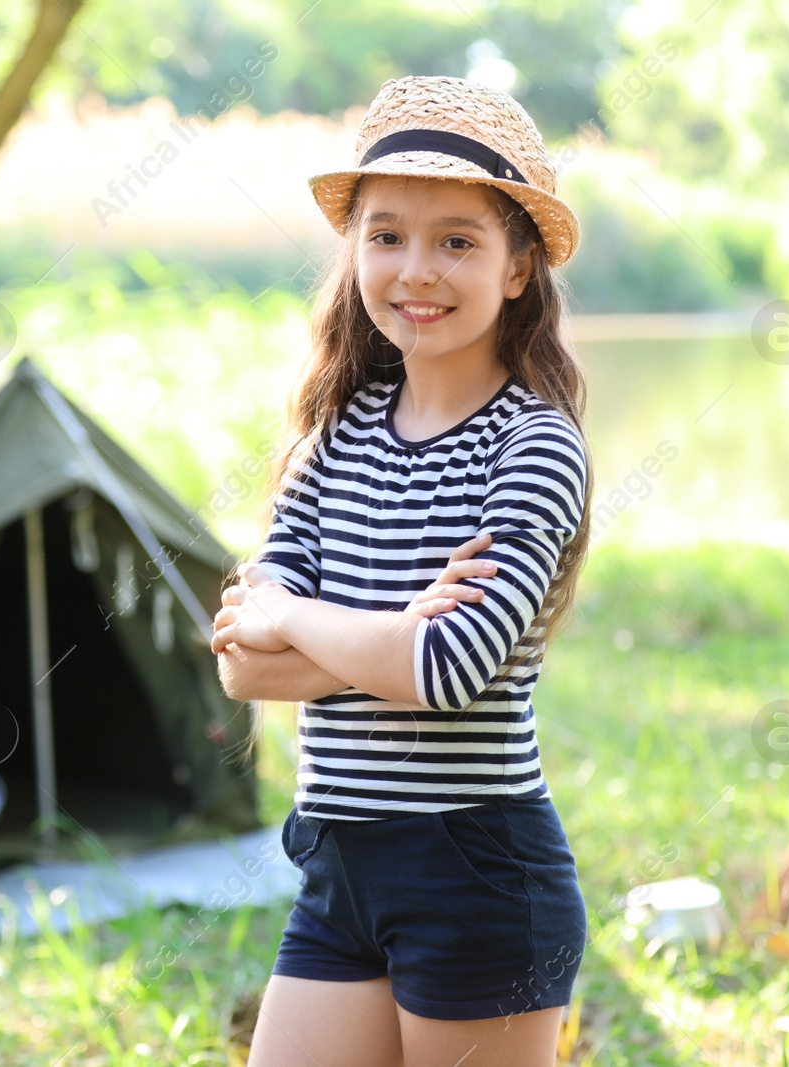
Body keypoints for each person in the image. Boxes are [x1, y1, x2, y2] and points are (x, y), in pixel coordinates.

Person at [211, 75, 594, 1067]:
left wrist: (297, 609)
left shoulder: (532, 446)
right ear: (354, 252)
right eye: (385, 235)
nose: (414, 268)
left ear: (516, 268)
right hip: (341, 868)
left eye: (456, 240)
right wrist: (389, 635)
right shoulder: (330, 444)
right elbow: (242, 667)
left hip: (476, 869)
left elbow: (443, 671)